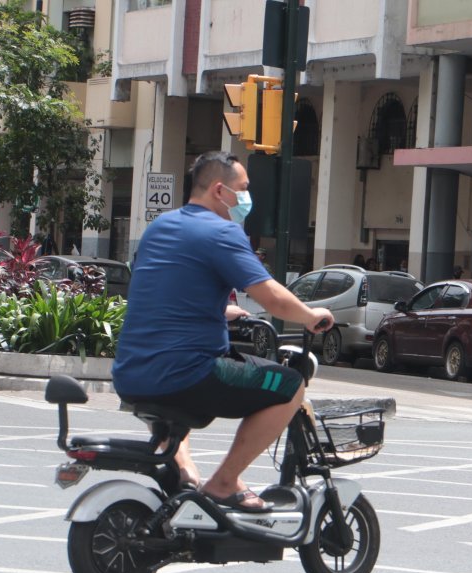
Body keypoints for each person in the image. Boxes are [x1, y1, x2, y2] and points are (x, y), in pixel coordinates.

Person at [112, 151, 334, 513]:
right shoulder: (222, 231)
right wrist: (311, 315)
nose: (246, 198)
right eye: (243, 189)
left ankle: (185, 476)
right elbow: (272, 297)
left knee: (177, 409)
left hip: (132, 374)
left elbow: (169, 288)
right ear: (220, 190)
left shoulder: (159, 228)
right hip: (188, 373)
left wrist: (220, 309)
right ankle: (225, 482)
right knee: (291, 385)